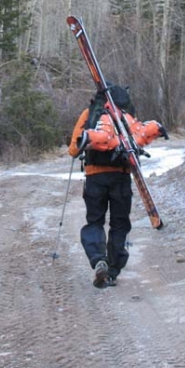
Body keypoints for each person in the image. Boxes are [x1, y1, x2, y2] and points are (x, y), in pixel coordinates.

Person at [68, 84, 167, 288]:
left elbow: (73, 149)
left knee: (94, 222)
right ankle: (112, 270)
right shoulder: (126, 117)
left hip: (95, 176)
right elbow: (139, 138)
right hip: (121, 177)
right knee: (119, 225)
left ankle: (98, 259)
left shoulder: (90, 114)